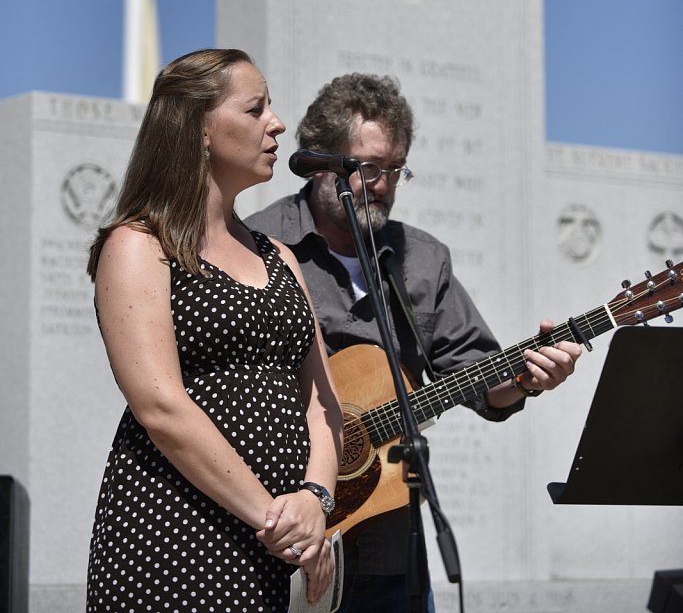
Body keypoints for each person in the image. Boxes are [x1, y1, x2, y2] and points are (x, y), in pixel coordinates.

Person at [246, 72, 582, 613]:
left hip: (388, 543)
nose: (382, 184)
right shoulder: (258, 244)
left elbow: (477, 378)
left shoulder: (422, 260)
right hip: (278, 531)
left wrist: (523, 380)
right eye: (369, 168)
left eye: (396, 170)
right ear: (322, 161)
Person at [86, 48, 344, 613]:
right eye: (255, 109)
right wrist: (276, 520)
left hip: (284, 547)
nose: (276, 123)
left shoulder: (280, 257)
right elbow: (160, 406)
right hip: (178, 537)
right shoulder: (137, 247)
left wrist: (315, 498)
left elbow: (322, 401)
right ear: (199, 128)